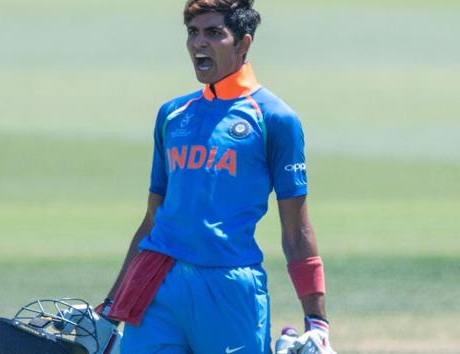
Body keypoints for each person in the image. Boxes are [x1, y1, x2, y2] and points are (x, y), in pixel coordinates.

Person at [99, 1, 336, 353]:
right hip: (157, 283)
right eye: (193, 33)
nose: (198, 43)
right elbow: (153, 219)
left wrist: (316, 321)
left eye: (213, 33)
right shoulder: (172, 114)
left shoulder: (274, 118)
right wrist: (109, 309)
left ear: (243, 44)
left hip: (230, 288)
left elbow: (296, 230)